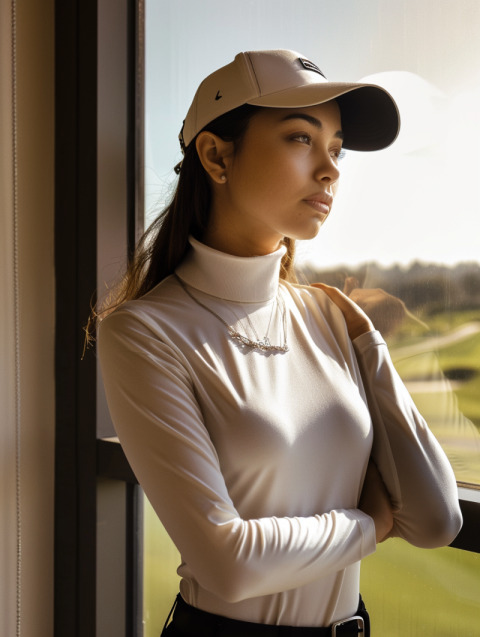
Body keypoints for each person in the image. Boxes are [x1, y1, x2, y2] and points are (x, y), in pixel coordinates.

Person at [94, 50, 462, 636]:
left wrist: (370, 347)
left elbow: (438, 519)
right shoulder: (144, 333)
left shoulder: (331, 319)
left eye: (336, 148)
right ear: (216, 155)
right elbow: (228, 563)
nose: (330, 169)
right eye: (300, 138)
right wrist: (366, 524)